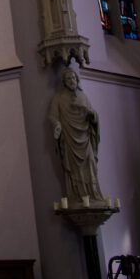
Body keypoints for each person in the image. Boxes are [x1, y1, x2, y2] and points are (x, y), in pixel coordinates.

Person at [49, 67, 103, 202]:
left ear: (77, 79)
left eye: (73, 78)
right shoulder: (58, 98)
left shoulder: (83, 96)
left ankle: (93, 195)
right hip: (69, 138)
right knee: (74, 169)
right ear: (64, 82)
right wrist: (57, 125)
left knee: (90, 163)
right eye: (68, 79)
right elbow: (53, 116)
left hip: (85, 138)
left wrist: (91, 115)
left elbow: (93, 115)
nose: (71, 80)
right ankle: (78, 196)